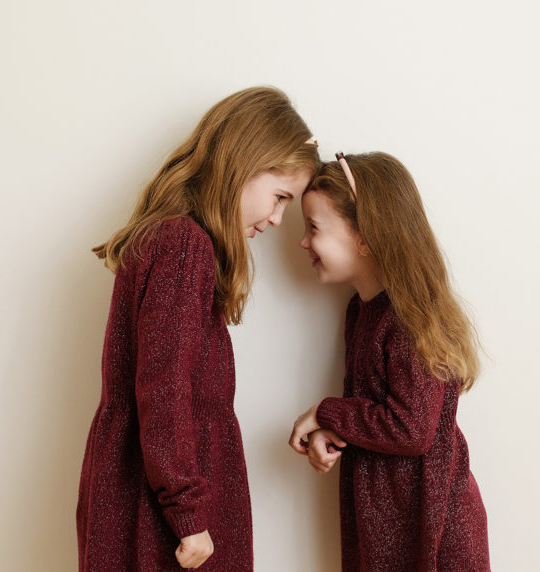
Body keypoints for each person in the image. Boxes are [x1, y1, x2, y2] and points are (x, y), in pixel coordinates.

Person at [77, 86, 319, 571]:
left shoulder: (169, 239)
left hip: (142, 487)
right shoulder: (185, 245)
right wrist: (186, 511)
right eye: (278, 198)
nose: (275, 220)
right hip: (162, 505)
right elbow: (164, 387)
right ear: (243, 163)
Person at [289, 152, 490, 571]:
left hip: (429, 525)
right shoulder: (361, 311)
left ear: (365, 236)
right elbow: (381, 416)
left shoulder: (407, 317)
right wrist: (334, 428)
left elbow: (411, 428)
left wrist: (327, 411)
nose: (304, 242)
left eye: (313, 228)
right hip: (388, 518)